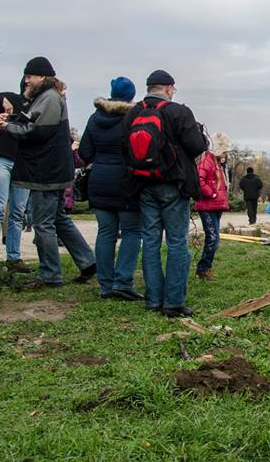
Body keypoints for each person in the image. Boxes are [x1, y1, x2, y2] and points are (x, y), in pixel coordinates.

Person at [0, 56, 97, 287]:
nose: (26, 80)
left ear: (42, 76)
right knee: (59, 219)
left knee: (43, 224)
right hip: (54, 169)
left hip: (46, 171)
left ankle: (50, 274)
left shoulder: (49, 98)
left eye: (29, 76)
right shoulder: (48, 97)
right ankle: (88, 261)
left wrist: (5, 127)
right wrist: (12, 120)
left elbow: (36, 132)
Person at [122, 69, 206, 317]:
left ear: (149, 88)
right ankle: (173, 301)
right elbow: (197, 146)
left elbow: (124, 148)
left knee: (150, 241)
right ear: (169, 88)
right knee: (177, 242)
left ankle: (153, 299)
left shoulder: (133, 113)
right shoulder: (178, 111)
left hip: (143, 185)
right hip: (173, 184)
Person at [78, 76, 143, 301]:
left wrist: (101, 160)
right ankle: (123, 281)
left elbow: (84, 151)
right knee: (132, 232)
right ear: (131, 96)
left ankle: (105, 285)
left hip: (100, 179)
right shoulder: (134, 118)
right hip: (126, 181)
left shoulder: (95, 118)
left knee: (105, 233)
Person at [0, 80, 32, 273]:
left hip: (24, 163)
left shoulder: (41, 106)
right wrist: (0, 99)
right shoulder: (11, 99)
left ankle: (14, 257)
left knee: (18, 212)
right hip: (2, 158)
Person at [194, 133, 228, 281]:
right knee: (212, 239)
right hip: (207, 205)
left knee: (215, 239)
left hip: (216, 206)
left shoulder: (217, 163)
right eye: (224, 150)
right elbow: (199, 179)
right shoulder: (206, 161)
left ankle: (206, 268)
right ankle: (203, 268)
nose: (225, 153)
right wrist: (212, 194)